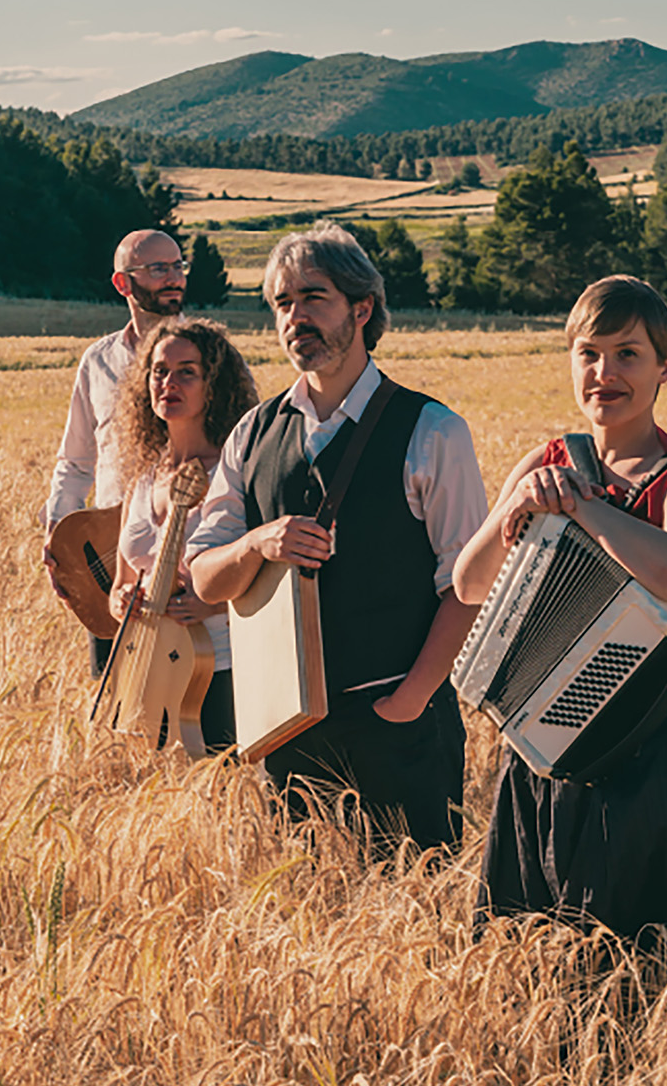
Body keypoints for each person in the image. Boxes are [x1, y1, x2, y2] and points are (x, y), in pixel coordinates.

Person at [454, 275, 667, 959]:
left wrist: (582, 508)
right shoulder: (548, 462)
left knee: (643, 971)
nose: (604, 373)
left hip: (661, 753)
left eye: (627, 354)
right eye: (588, 353)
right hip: (546, 746)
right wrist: (523, 500)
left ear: (666, 367)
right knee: (533, 965)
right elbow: (469, 583)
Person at [188, 223, 487, 850]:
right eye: (281, 303)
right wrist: (256, 543)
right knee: (310, 916)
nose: (295, 316)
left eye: (312, 297)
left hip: (400, 726)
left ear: (362, 307)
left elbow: (468, 588)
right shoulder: (252, 433)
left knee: (420, 921)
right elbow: (205, 578)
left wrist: (409, 702)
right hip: (287, 733)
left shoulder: (432, 431)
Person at [42, 229, 188, 676]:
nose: (174, 278)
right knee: (112, 706)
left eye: (179, 265)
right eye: (159, 269)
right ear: (123, 284)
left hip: (187, 562)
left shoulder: (216, 358)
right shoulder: (98, 362)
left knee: (188, 704)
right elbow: (76, 461)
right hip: (107, 564)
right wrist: (58, 540)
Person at [108, 317, 258, 751]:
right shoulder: (142, 480)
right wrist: (120, 601)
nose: (168, 383)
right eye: (158, 371)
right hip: (144, 668)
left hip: (219, 668)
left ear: (215, 385)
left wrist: (215, 605)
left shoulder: (236, 473)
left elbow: (266, 576)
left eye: (186, 372)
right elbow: (122, 580)